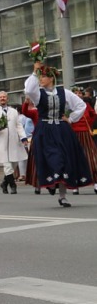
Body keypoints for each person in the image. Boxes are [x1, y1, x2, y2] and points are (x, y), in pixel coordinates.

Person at [24, 64, 91, 206]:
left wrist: (71, 118)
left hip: (61, 130)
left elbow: (81, 105)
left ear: (51, 78)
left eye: (43, 76)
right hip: (45, 131)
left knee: (64, 160)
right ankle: (51, 182)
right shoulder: (38, 94)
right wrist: (35, 71)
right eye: (40, 76)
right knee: (52, 159)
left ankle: (62, 196)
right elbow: (29, 89)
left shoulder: (64, 93)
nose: (41, 79)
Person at [0, 91, 28, 194]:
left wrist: (23, 137)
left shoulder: (13, 111)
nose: (2, 98)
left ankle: (4, 183)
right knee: (7, 166)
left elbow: (18, 125)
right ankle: (13, 186)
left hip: (13, 142)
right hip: (1, 143)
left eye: (4, 97)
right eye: (0, 97)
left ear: (7, 99)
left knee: (13, 164)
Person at [70, 86, 97, 194]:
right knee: (74, 158)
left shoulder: (86, 105)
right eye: (75, 93)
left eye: (80, 93)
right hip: (74, 134)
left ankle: (95, 183)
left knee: (92, 158)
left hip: (86, 133)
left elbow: (93, 115)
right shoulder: (69, 106)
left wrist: (88, 126)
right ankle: (75, 185)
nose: (78, 95)